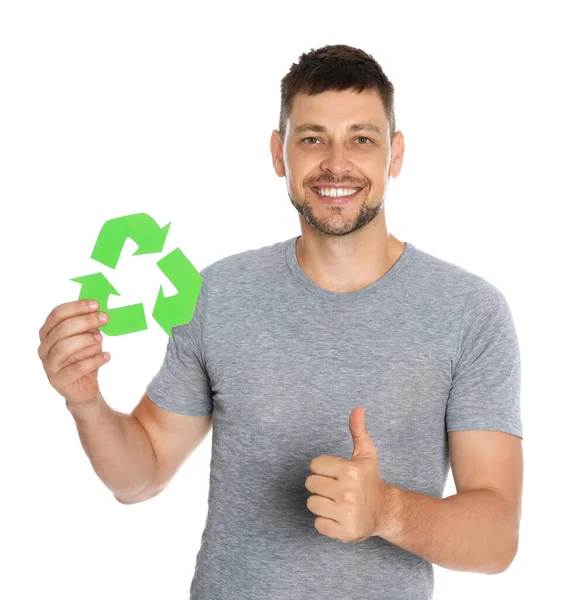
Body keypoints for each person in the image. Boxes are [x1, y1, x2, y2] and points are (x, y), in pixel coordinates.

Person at [38, 44, 523, 600]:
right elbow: (140, 476)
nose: (336, 163)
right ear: (279, 153)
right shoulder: (215, 294)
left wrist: (386, 509)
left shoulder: (470, 312)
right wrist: (86, 404)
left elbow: (497, 539)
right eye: (312, 138)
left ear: (395, 154)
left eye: (361, 139)